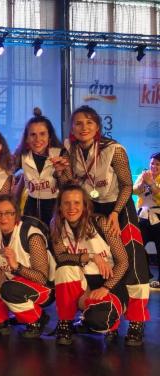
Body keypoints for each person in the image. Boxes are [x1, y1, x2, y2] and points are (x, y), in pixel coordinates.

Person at [60, 105, 149, 344]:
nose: (84, 127)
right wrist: (61, 173)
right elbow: (71, 185)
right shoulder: (70, 149)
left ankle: (137, 322)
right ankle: (103, 312)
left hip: (118, 208)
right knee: (94, 259)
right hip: (91, 208)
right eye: (78, 123)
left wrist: (116, 213)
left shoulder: (114, 149)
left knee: (134, 263)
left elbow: (127, 185)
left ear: (98, 126)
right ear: (72, 128)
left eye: (89, 122)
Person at [50, 184, 133, 345]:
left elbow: (123, 261)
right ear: (60, 206)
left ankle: (104, 322)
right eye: (66, 203)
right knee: (64, 269)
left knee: (99, 320)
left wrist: (106, 288)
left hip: (108, 282)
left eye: (77, 203)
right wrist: (91, 256)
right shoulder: (56, 224)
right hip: (82, 283)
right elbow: (61, 257)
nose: (71, 208)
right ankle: (65, 323)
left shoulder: (101, 222)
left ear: (85, 205)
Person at [0, 195, 54, 338]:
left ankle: (37, 319)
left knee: (9, 288)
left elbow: (42, 278)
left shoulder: (32, 235)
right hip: (12, 282)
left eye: (8, 213)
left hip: (43, 289)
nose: (3, 218)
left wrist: (16, 266)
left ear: (16, 214)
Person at [13, 107, 66, 226]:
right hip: (31, 209)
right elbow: (4, 171)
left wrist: (59, 173)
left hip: (55, 208)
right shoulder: (22, 155)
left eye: (42, 134)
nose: (37, 139)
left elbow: (68, 187)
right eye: (33, 134)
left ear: (49, 136)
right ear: (27, 138)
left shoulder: (61, 153)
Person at [133, 152, 160, 289]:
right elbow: (134, 191)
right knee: (137, 246)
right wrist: (142, 183)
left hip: (158, 216)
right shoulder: (144, 175)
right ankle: (145, 275)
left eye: (157, 164)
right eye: (152, 163)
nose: (154, 166)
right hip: (143, 216)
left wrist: (152, 184)